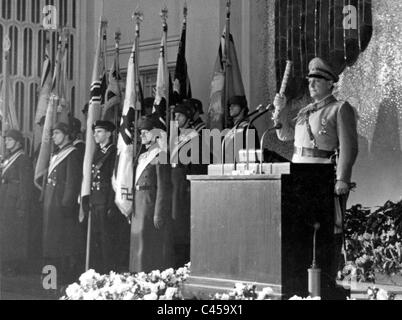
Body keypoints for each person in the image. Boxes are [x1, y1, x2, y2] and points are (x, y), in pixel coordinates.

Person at [273, 57, 358, 299]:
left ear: (331, 83)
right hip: (298, 177)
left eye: (318, 80)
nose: (312, 84)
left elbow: (349, 148)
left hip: (322, 177)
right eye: (310, 80)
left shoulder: (340, 108)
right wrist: (280, 111)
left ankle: (327, 282)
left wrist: (342, 178)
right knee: (299, 232)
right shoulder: (304, 111)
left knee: (325, 233)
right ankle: (301, 282)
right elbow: (285, 136)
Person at [129, 115, 173, 273]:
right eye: (140, 132)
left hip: (150, 204)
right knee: (136, 245)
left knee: (147, 246)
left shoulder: (160, 155)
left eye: (146, 132)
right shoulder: (141, 156)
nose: (142, 135)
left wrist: (158, 212)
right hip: (138, 203)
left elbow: (163, 187)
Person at [42, 122, 84, 283]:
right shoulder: (57, 153)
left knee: (60, 241)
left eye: (57, 133)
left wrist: (67, 204)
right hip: (51, 201)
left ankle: (59, 279)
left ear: (66, 134)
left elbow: (72, 182)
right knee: (50, 240)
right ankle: (49, 280)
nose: (53, 137)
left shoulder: (72, 154)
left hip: (61, 203)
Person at [88, 120, 123, 273]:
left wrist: (110, 205)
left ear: (109, 134)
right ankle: (98, 270)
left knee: (106, 238)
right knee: (96, 237)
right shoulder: (96, 151)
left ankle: (108, 270)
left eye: (99, 131)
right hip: (95, 199)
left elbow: (113, 180)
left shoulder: (113, 152)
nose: (95, 134)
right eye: (94, 131)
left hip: (105, 200)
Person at [0, 129, 33, 275]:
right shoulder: (8, 157)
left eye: (10, 140)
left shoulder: (23, 158)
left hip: (14, 201)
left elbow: (25, 184)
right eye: (6, 139)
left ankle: (13, 265)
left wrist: (21, 205)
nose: (6, 142)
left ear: (18, 142)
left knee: (14, 234)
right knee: (5, 233)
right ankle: (5, 263)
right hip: (5, 199)